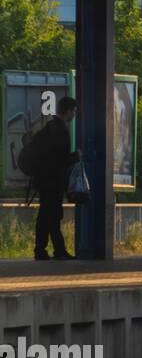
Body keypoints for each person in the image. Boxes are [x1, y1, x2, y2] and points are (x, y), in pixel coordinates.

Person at [32, 96, 79, 261]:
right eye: (74, 111)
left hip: (43, 180)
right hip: (53, 181)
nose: (74, 114)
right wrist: (76, 156)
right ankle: (58, 250)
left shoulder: (49, 127)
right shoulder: (61, 131)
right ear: (67, 111)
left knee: (45, 215)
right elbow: (61, 159)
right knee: (53, 215)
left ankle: (41, 250)